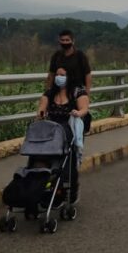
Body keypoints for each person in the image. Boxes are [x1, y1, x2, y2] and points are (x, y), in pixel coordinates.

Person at [37, 67, 89, 202]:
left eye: (63, 75)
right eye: (57, 75)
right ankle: (39, 183)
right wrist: (41, 113)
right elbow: (42, 107)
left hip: (67, 129)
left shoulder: (77, 91)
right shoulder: (50, 93)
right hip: (51, 129)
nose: (59, 77)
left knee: (68, 159)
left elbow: (84, 108)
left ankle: (70, 188)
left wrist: (78, 113)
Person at [46, 30, 92, 95]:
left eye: (67, 40)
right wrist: (48, 91)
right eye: (62, 40)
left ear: (73, 41)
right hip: (59, 91)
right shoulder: (56, 55)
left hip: (76, 91)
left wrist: (87, 92)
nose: (65, 42)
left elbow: (88, 74)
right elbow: (51, 74)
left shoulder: (80, 56)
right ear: (59, 41)